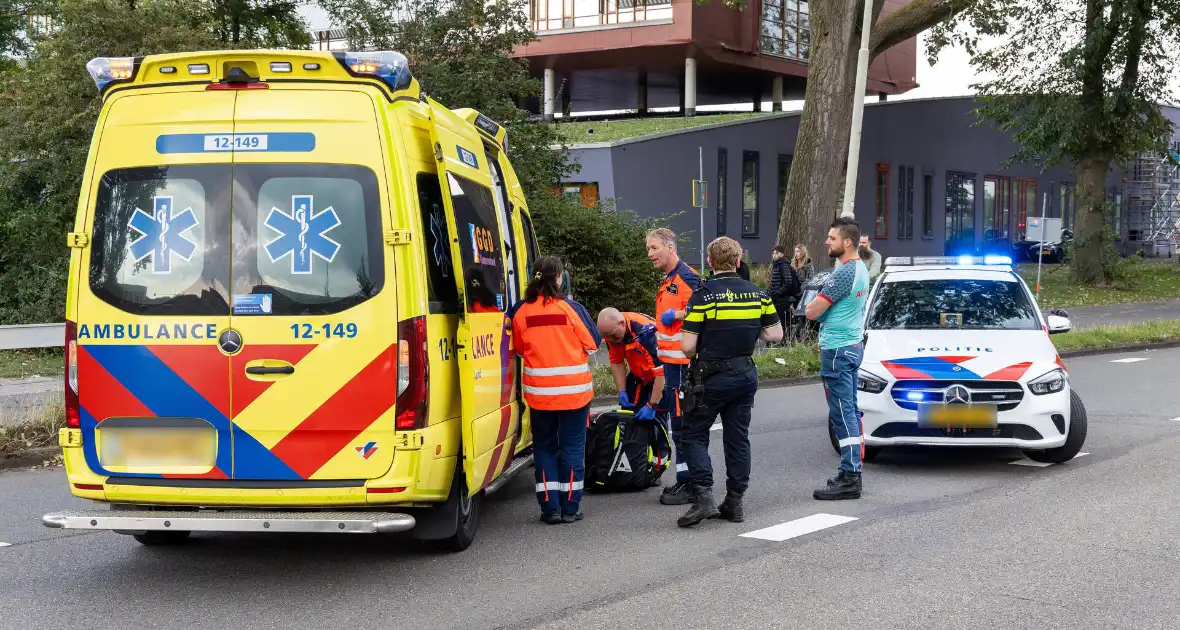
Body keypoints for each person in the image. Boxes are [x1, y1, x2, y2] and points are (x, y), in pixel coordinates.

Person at [676, 236, 783, 527]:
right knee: (737, 438)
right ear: (738, 262)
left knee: (694, 434)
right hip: (745, 374)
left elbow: (687, 347)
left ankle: (704, 497)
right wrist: (747, 333)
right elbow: (775, 335)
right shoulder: (758, 294)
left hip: (710, 377)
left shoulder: (703, 296)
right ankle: (734, 503)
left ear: (709, 262)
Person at [509, 255, 602, 524]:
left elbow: (518, 349)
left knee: (545, 449)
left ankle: (549, 509)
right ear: (559, 278)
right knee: (573, 449)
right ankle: (570, 509)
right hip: (574, 394)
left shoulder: (520, 311)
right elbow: (593, 344)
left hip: (540, 397)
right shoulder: (570, 308)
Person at [806, 217, 871, 501]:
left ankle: (850, 475)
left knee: (842, 413)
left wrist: (817, 306)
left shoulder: (842, 273)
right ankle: (850, 471)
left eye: (832, 238)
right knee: (850, 410)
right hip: (851, 345)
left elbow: (811, 311)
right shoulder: (861, 269)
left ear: (847, 242)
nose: (826, 242)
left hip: (837, 349)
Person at [646, 227, 703, 505]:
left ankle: (688, 483)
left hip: (682, 364)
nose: (650, 254)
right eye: (648, 249)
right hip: (671, 363)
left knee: (682, 424)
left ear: (670, 247)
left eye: (654, 248)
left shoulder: (687, 276)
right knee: (677, 422)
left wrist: (678, 313)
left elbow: (707, 305)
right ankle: (686, 480)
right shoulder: (670, 278)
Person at [596, 308, 666, 416]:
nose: (610, 340)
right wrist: (622, 390)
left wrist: (652, 405)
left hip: (660, 376)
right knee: (628, 415)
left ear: (622, 324)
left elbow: (662, 371)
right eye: (606, 337)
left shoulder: (646, 332)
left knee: (657, 417)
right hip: (639, 375)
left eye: (612, 335)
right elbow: (616, 361)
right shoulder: (613, 332)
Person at [768, 245, 801, 341]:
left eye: (777, 253)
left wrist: (778, 292)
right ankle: (778, 339)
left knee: (782, 320)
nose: (774, 255)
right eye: (773, 253)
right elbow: (774, 282)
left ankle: (783, 340)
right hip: (775, 297)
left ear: (782, 254)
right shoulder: (777, 264)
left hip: (781, 298)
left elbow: (788, 281)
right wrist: (769, 292)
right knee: (778, 319)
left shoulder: (783, 264)